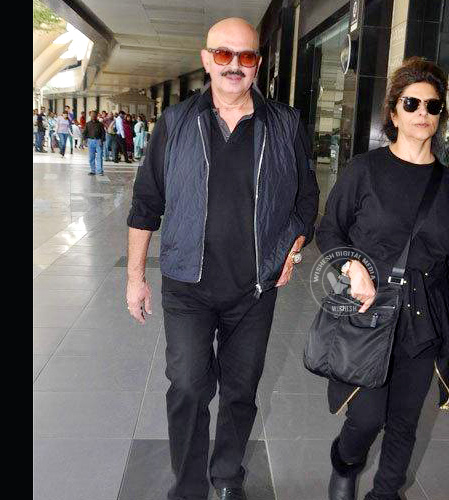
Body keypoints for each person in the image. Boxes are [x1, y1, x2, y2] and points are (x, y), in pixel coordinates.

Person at [125, 17, 319, 500]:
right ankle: (190, 485)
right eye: (224, 54)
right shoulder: (176, 123)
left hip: (254, 288)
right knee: (188, 385)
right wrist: (135, 276)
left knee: (241, 390)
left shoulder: (284, 124)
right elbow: (146, 203)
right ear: (206, 59)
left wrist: (292, 249)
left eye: (246, 56)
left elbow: (306, 200)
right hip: (187, 285)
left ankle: (228, 476)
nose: (235, 65)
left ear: (258, 64)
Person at [315, 57, 449, 500]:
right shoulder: (365, 170)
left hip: (425, 317)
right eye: (412, 103)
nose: (423, 113)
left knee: (405, 421)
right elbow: (329, 231)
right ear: (393, 112)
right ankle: (346, 461)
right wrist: (352, 267)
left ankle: (385, 493)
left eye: (432, 105)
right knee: (367, 417)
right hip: (372, 311)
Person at [83, 110, 106, 176]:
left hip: (98, 141)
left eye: (94, 115)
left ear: (96, 116)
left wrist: (102, 140)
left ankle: (100, 171)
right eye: (92, 115)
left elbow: (103, 133)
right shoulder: (88, 124)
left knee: (99, 156)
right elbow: (85, 133)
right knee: (91, 157)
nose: (93, 116)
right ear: (90, 115)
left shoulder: (100, 124)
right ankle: (93, 170)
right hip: (90, 141)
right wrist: (84, 140)